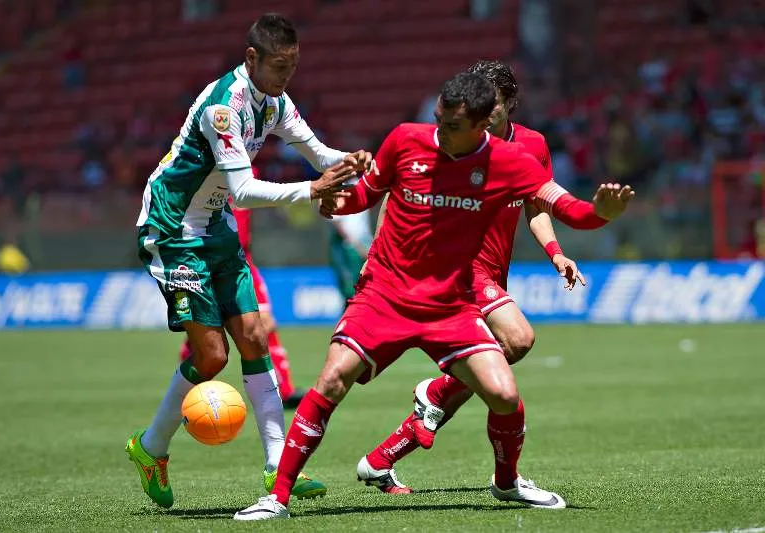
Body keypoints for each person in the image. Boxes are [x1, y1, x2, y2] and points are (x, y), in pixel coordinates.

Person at [233, 72, 633, 520]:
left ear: (484, 124)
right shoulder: (406, 139)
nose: (440, 132)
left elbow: (565, 208)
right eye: (438, 120)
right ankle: (277, 498)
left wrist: (601, 212)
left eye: (453, 126)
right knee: (330, 380)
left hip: (449, 304)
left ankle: (506, 483)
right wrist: (334, 201)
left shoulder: (513, 160)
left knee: (504, 394)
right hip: (384, 294)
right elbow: (366, 194)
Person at [126, 13, 373, 509]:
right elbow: (241, 191)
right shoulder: (225, 107)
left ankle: (277, 468)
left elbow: (320, 154)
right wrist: (310, 191)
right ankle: (150, 447)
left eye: (294, 67)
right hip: (174, 228)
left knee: (255, 336)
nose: (288, 77)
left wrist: (353, 162)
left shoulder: (274, 101)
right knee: (213, 356)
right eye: (280, 67)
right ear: (252, 59)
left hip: (214, 228)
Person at [357, 60, 587, 495]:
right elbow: (400, 189)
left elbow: (537, 204)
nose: (484, 114)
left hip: (496, 270)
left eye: (494, 106)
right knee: (517, 340)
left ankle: (382, 457)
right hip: (457, 267)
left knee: (487, 374)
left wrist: (556, 252)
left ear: (509, 104)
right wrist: (376, 254)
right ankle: (501, 476)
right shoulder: (451, 139)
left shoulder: (532, 146)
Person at [179, 174, 308, 408]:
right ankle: (189, 392)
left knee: (264, 323)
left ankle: (284, 390)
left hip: (240, 262)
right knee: (203, 335)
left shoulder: (247, 169)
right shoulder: (201, 169)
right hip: (203, 260)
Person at [327, 210, 373, 302]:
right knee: (351, 288)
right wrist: (358, 246)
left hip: (365, 244)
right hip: (349, 248)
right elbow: (337, 222)